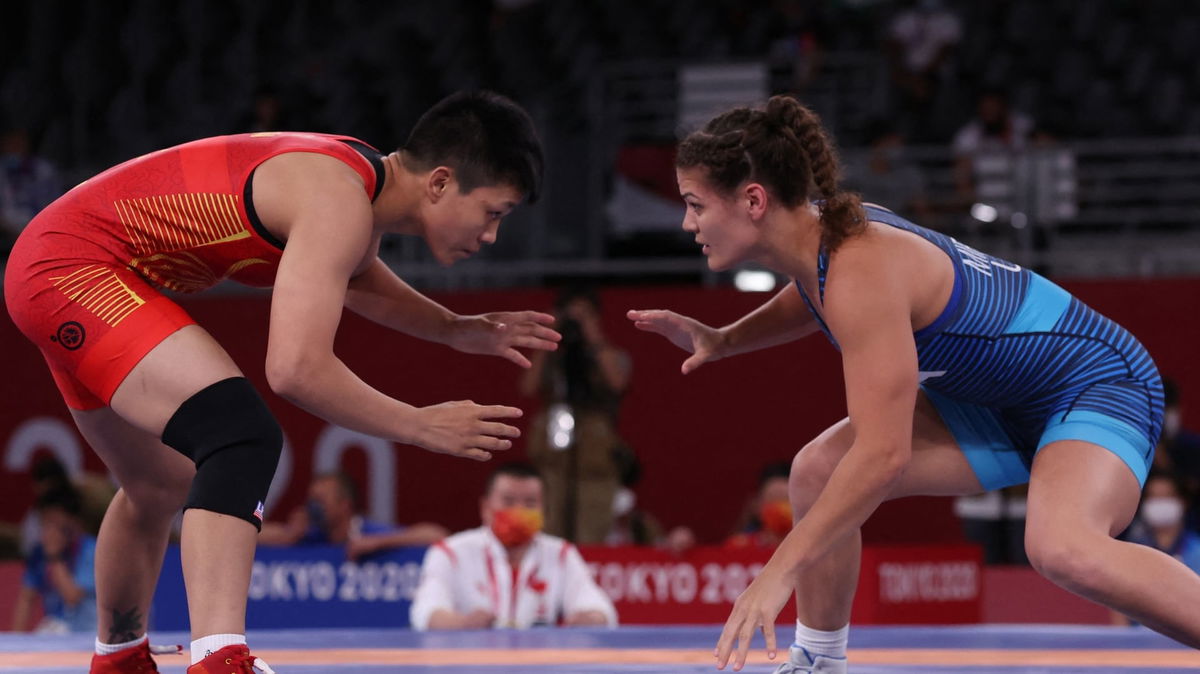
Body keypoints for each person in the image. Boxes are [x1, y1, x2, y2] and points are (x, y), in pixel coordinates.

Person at [4, 90, 557, 674]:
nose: (492, 234)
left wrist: (453, 329)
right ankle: (220, 658)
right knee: (239, 436)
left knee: (156, 484)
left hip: (59, 263)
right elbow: (296, 371)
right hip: (74, 268)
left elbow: (359, 276)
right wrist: (419, 424)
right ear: (441, 183)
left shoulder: (355, 192)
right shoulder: (338, 203)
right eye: (493, 213)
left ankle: (119, 659)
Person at [626, 94, 1177, 673]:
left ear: (754, 200)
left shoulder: (858, 269)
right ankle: (818, 661)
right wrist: (725, 339)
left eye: (694, 205)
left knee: (1062, 548)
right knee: (818, 471)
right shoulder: (826, 243)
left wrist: (774, 575)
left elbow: (884, 453)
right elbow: (809, 296)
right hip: (996, 402)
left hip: (1094, 382)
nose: (688, 223)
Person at [409, 462, 617, 630]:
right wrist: (463, 624)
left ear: (543, 509)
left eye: (530, 503)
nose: (519, 511)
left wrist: (591, 618)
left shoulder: (561, 554)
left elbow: (600, 609)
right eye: (508, 501)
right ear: (485, 507)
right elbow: (425, 612)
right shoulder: (450, 552)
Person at [521, 286, 632, 543]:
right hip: (552, 463)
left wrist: (593, 338)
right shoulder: (552, 357)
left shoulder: (608, 354)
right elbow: (528, 387)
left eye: (584, 315)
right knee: (548, 531)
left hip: (594, 463)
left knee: (591, 534)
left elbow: (617, 382)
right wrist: (548, 338)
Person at [259, 471, 447, 559]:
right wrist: (289, 535)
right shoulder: (310, 533)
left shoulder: (368, 532)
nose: (313, 507)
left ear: (344, 505)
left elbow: (438, 535)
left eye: (321, 500)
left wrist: (379, 542)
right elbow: (251, 535)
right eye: (312, 500)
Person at [1113, 471, 1200, 626]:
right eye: (1154, 497)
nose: (1160, 503)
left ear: (1183, 501)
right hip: (1139, 645)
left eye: (1167, 496)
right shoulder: (1129, 553)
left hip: (1190, 643)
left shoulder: (1197, 551)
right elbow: (1117, 605)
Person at [11, 484, 98, 634]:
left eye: (55, 523)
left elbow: (72, 597)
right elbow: (27, 599)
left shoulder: (91, 550)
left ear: (75, 522)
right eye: (46, 523)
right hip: (56, 629)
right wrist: (14, 641)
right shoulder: (39, 553)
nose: (50, 530)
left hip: (87, 632)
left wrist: (55, 557)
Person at [725, 462, 793, 551]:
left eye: (785, 499)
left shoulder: (809, 548)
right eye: (772, 499)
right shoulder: (739, 547)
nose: (779, 506)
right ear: (757, 505)